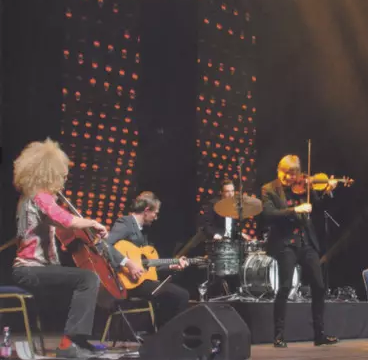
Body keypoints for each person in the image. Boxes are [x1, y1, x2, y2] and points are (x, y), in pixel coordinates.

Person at [11, 139, 108, 359]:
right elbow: (64, 219)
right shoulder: (39, 197)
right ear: (49, 174)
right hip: (30, 270)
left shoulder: (30, 199)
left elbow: (57, 223)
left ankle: (75, 341)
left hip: (34, 270)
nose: (64, 181)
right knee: (88, 279)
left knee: (81, 286)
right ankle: (68, 344)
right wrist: (93, 223)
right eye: (62, 176)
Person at [261, 154, 339, 348]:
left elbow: (317, 206)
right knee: (285, 287)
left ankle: (319, 334)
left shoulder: (304, 186)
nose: (290, 178)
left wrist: (327, 191)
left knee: (319, 285)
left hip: (306, 242)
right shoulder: (269, 189)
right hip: (286, 243)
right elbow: (269, 214)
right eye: (287, 174)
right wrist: (295, 210)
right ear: (279, 170)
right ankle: (279, 335)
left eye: (294, 174)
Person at [105, 191, 190, 329]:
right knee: (180, 295)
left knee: (175, 294)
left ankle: (162, 332)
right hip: (126, 281)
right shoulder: (125, 223)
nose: (156, 217)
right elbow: (105, 245)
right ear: (146, 210)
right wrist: (128, 263)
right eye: (155, 213)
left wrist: (172, 266)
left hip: (141, 280)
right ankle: (169, 335)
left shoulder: (142, 231)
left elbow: (148, 264)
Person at [197, 179, 252, 296]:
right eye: (227, 191)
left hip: (231, 244)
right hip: (216, 244)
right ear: (221, 192)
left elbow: (232, 227)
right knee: (218, 274)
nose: (230, 194)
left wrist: (240, 234)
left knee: (237, 266)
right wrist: (215, 235)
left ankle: (236, 292)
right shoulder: (213, 204)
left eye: (232, 191)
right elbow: (205, 225)